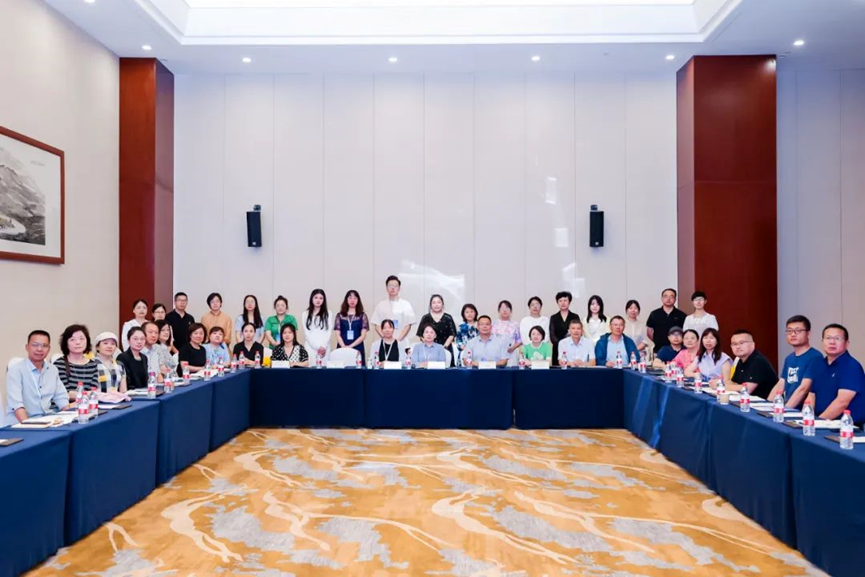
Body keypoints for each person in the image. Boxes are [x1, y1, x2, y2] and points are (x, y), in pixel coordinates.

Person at [800, 324, 865, 424]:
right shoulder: (819, 365)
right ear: (822, 342)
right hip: (820, 423)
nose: (832, 342)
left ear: (847, 343)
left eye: (837, 338)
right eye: (828, 338)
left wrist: (817, 422)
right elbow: (812, 396)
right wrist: (805, 419)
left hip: (845, 426)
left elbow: (842, 402)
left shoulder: (852, 366)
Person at [5, 330, 71, 425]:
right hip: (21, 424)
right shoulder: (15, 371)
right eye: (35, 345)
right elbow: (17, 405)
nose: (39, 349)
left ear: (49, 349)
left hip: (47, 420)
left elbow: (61, 398)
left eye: (44, 345)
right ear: (27, 347)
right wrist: (30, 426)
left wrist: (70, 419)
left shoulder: (52, 370)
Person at [769, 315, 823, 408]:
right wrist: (767, 405)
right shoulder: (789, 358)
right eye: (789, 331)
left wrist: (786, 410)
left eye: (798, 331)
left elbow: (803, 388)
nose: (793, 334)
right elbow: (781, 384)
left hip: (803, 410)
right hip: (787, 406)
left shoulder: (815, 357)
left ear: (808, 334)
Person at [727, 329, 778, 400]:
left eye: (741, 343)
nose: (738, 346)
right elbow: (735, 383)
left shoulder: (758, 361)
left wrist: (723, 386)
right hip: (747, 401)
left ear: (752, 344)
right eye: (734, 344)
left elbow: (747, 389)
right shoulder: (740, 360)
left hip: (765, 403)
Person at [53, 324, 99, 399]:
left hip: (88, 404)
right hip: (66, 405)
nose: (78, 342)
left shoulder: (93, 365)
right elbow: (64, 393)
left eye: (81, 339)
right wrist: (88, 394)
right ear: (66, 343)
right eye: (72, 339)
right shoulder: (59, 364)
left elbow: (93, 390)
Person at [371, 275, 416, 343]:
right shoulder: (381, 305)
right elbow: (377, 325)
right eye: (390, 286)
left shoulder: (406, 304)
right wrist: (385, 338)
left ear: (399, 288)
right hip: (385, 342)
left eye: (395, 286)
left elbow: (408, 325)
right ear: (386, 288)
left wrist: (397, 340)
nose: (393, 288)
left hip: (402, 342)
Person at [416, 295, 457, 366]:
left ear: (442, 304)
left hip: (445, 348)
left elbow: (452, 334)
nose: (436, 305)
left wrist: (444, 347)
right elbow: (421, 334)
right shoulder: (426, 317)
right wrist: (429, 345)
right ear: (430, 305)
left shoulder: (448, 317)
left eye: (439, 302)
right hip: (428, 349)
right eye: (434, 303)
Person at [647, 288, 687, 355]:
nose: (668, 299)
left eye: (671, 296)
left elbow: (685, 332)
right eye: (666, 296)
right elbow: (649, 331)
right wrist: (657, 340)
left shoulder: (682, 315)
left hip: (677, 351)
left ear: (675, 299)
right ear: (662, 298)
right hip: (658, 350)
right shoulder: (654, 314)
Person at [334, 289, 370, 364]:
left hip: (357, 347)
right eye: (350, 298)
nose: (352, 300)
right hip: (342, 346)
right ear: (346, 300)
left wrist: (350, 347)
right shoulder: (339, 315)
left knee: (357, 368)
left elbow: (363, 336)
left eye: (355, 298)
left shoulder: (362, 316)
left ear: (358, 300)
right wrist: (344, 347)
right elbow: (337, 335)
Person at [549, 291, 581, 367]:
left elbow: (578, 332)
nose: (563, 303)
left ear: (569, 302)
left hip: (572, 347)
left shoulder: (575, 316)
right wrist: (562, 344)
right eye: (560, 301)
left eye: (565, 300)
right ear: (557, 302)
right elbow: (552, 336)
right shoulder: (553, 317)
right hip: (557, 349)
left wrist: (568, 343)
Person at [303, 289, 333, 362]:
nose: (318, 300)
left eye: (321, 298)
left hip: (325, 347)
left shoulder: (329, 313)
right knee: (310, 367)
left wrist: (323, 346)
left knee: (324, 368)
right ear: (312, 298)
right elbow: (307, 333)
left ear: (324, 300)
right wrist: (317, 347)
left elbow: (329, 331)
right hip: (310, 347)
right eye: (316, 297)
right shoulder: (305, 314)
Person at [492, 300, 522, 365]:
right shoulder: (494, 324)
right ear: (499, 311)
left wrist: (513, 347)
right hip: (497, 354)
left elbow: (519, 340)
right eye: (502, 308)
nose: (505, 310)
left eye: (507, 308)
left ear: (511, 311)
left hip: (511, 353)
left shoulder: (515, 324)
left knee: (511, 370)